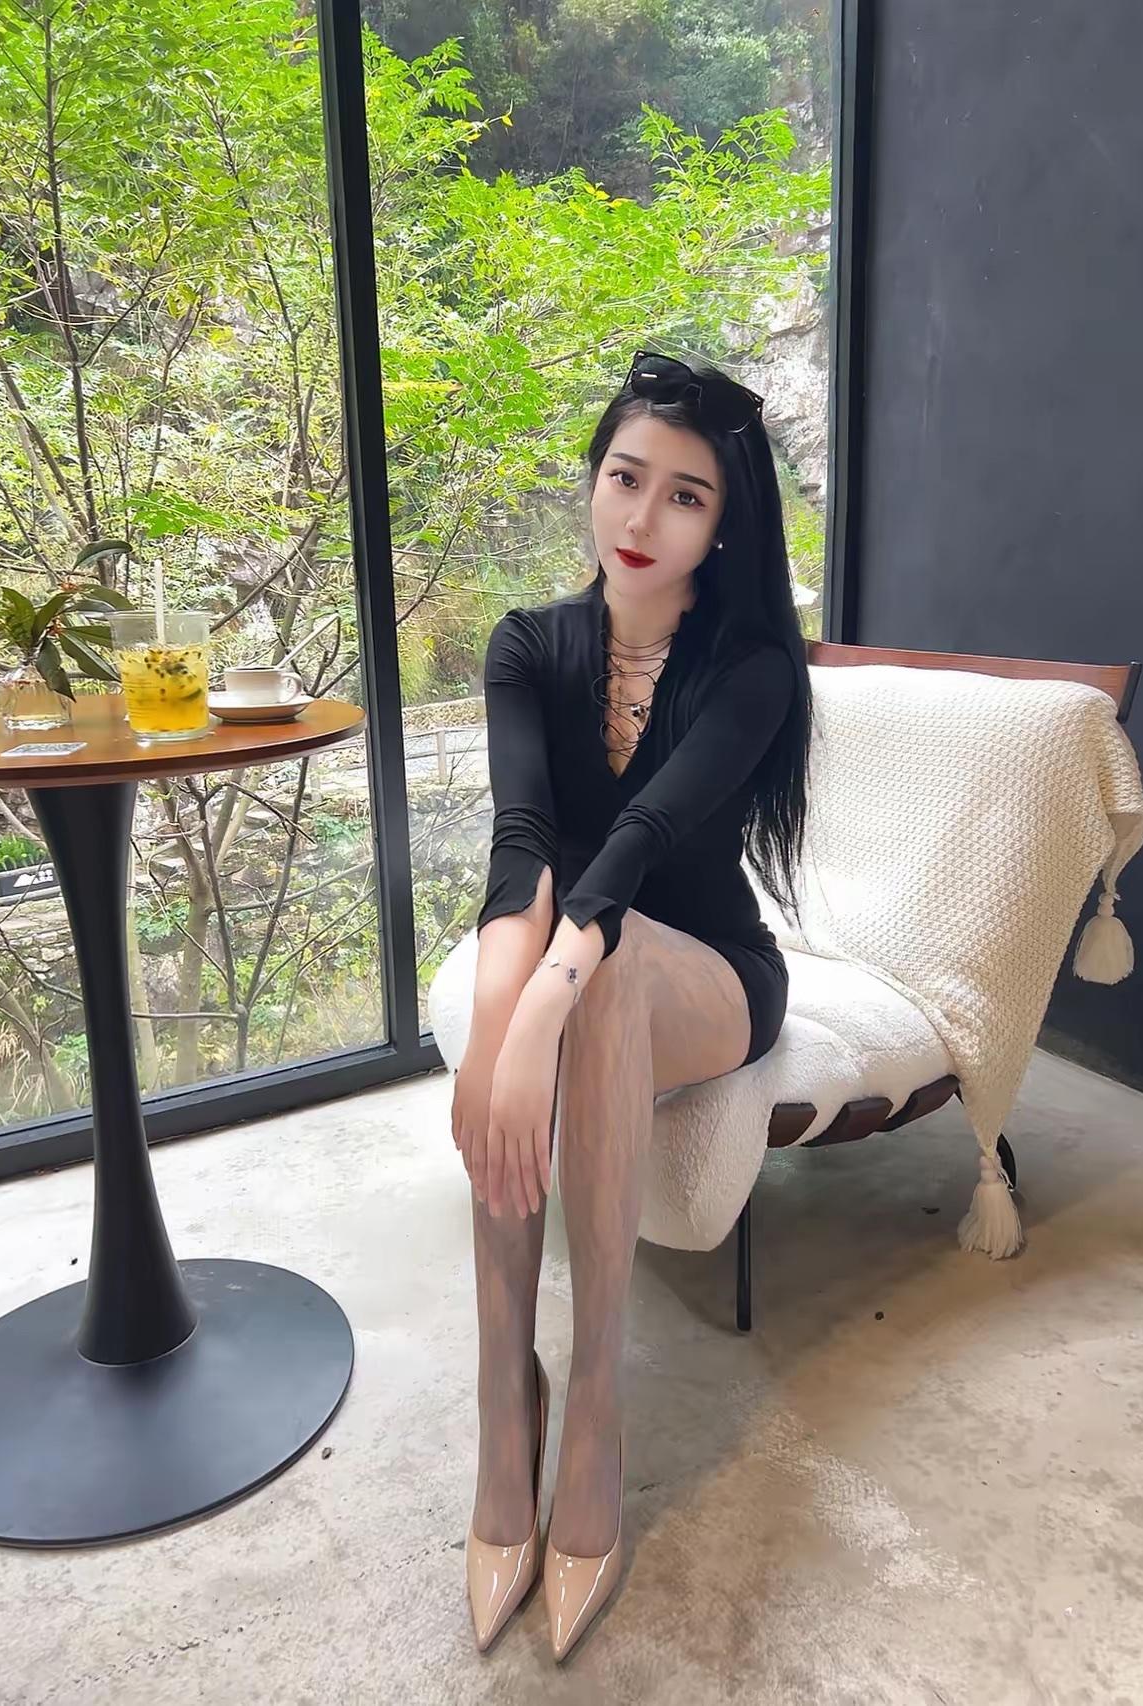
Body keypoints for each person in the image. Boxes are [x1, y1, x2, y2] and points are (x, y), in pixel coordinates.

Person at [453, 348, 813, 1660]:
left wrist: (542, 1006)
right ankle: (508, 1395)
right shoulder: (526, 646)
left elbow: (642, 842)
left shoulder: (752, 667)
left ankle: (595, 1404)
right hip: (593, 958)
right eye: (624, 477)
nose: (642, 517)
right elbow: (524, 847)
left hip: (711, 972)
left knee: (595, 977)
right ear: (593, 480)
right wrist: (497, 1034)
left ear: (724, 527)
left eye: (685, 496)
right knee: (554, 986)